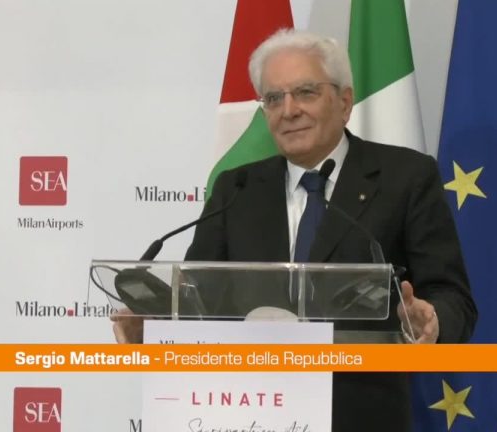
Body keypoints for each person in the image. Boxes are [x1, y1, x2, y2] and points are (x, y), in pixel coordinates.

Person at [113, 29, 476, 431]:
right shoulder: (237, 188)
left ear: (344, 102)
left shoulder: (404, 177)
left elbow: (453, 297)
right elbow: (198, 300)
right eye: (273, 98)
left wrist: (430, 319)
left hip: (360, 416)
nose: (288, 110)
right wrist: (154, 328)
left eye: (305, 92)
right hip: (247, 413)